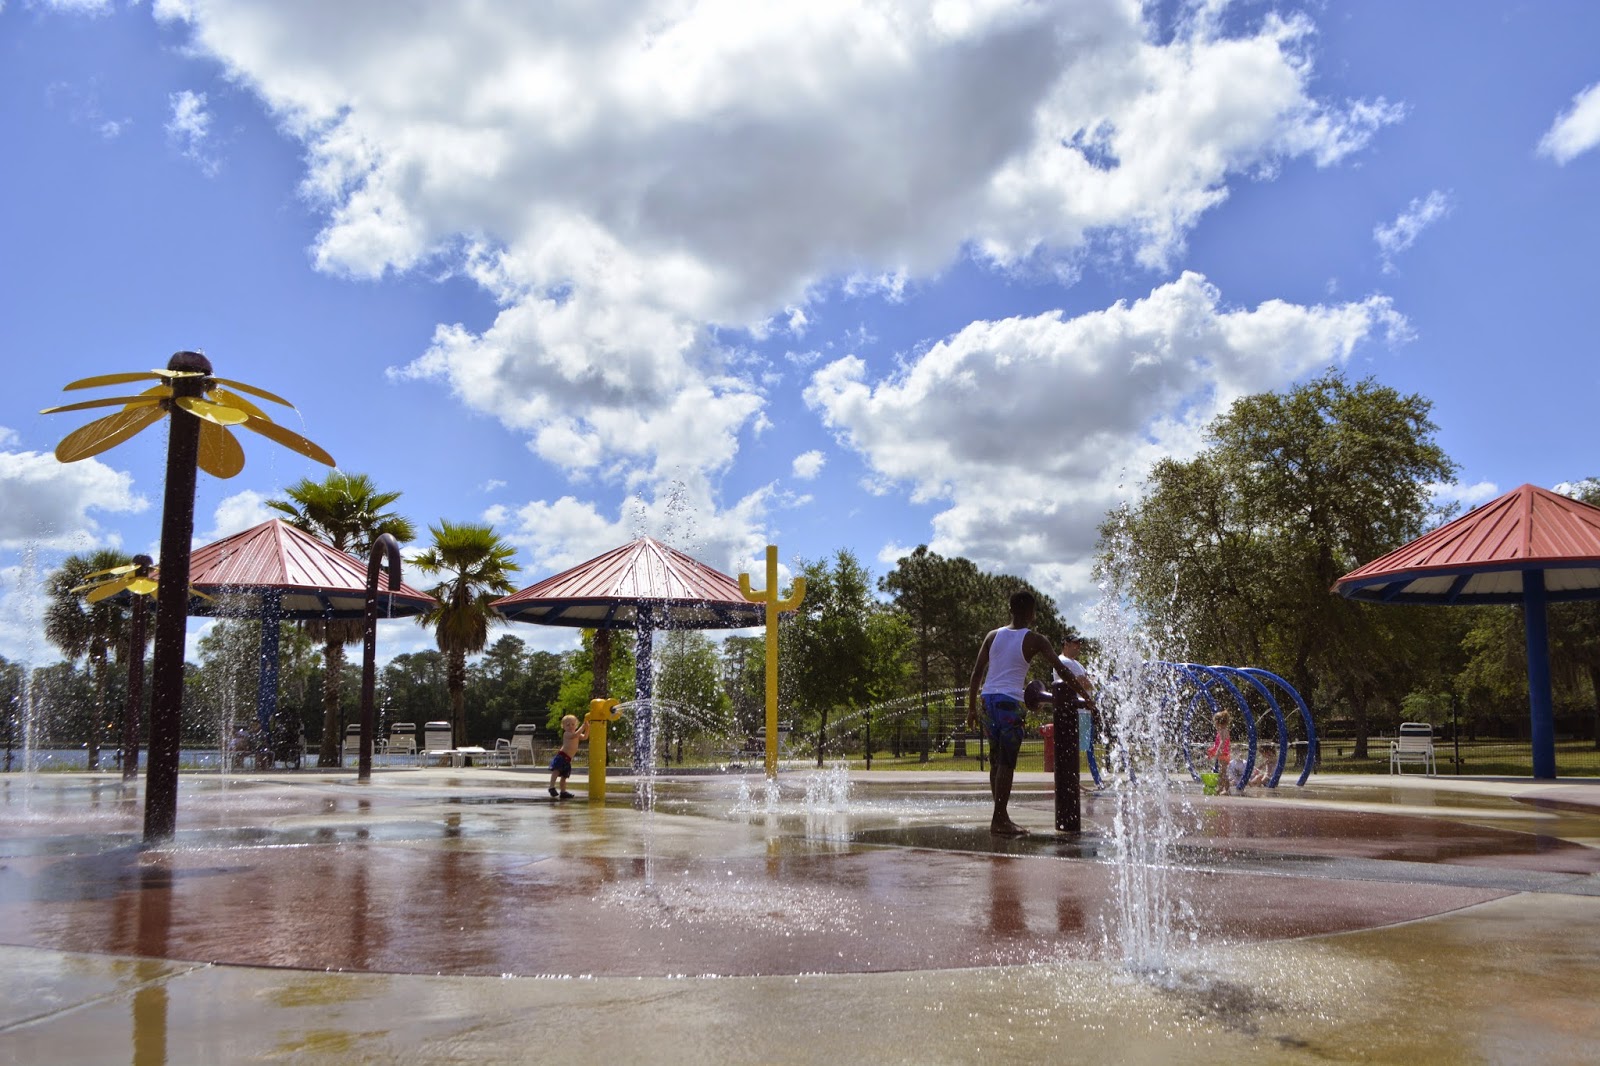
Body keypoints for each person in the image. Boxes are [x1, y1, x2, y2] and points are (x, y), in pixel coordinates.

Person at [967, 590, 1083, 837]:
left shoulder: (992, 636)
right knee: (1007, 762)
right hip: (1010, 703)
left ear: (1010, 609)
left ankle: (1001, 816)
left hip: (988, 699)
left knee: (996, 760)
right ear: (1031, 613)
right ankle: (999, 820)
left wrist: (971, 708)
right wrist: (1085, 696)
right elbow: (1061, 669)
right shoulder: (1035, 639)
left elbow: (977, 673)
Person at [549, 714, 588, 799]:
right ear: (563, 727)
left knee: (564, 776)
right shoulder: (567, 734)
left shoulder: (576, 733)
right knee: (556, 771)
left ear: (576, 725)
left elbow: (585, 737)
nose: (570, 726)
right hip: (562, 756)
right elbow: (575, 735)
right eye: (568, 725)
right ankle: (551, 787)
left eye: (573, 724)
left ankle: (563, 792)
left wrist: (587, 728)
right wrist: (583, 727)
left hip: (568, 759)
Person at [1207, 710, 1232, 793]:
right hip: (1224, 754)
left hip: (1223, 754)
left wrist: (1218, 751)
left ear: (1218, 723)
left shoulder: (1222, 731)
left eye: (1215, 723)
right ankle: (1222, 789)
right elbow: (1220, 744)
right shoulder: (1224, 730)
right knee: (1222, 772)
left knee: (1223, 773)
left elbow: (1222, 741)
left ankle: (1225, 790)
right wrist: (1212, 751)